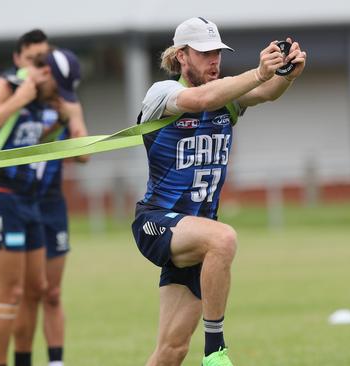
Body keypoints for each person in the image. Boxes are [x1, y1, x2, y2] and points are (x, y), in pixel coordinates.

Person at [131, 17, 306, 365]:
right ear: (182, 56)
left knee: (171, 350)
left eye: (218, 53)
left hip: (198, 235)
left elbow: (267, 92)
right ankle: (215, 351)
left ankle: (202, 351)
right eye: (205, 53)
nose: (215, 60)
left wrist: (287, 73)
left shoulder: (227, 96)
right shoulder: (162, 94)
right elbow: (199, 100)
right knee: (223, 239)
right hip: (158, 223)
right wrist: (257, 73)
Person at [0, 29, 82, 366]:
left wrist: (58, 124)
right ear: (43, 73)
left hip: (29, 200)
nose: (56, 96)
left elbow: (24, 142)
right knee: (9, 292)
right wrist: (20, 98)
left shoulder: (47, 101)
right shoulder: (2, 87)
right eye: (55, 89)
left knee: (35, 289)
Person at [35, 65, 88, 366]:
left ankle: (56, 362)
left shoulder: (66, 105)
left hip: (52, 206)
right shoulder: (23, 103)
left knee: (52, 292)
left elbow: (83, 155)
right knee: (22, 293)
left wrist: (73, 119)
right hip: (19, 202)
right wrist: (56, 124)